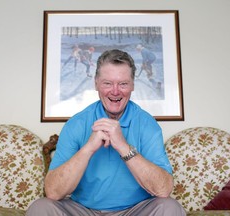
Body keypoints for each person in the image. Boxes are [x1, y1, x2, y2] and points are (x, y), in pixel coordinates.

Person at [26, 49, 186, 216]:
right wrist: (88, 148)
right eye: (107, 83)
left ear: (132, 85)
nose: (115, 91)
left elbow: (163, 189)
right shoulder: (76, 124)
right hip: (83, 211)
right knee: (40, 208)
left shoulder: (147, 125)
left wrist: (123, 147)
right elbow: (53, 191)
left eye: (123, 84)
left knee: (170, 208)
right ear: (96, 83)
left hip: (135, 211)